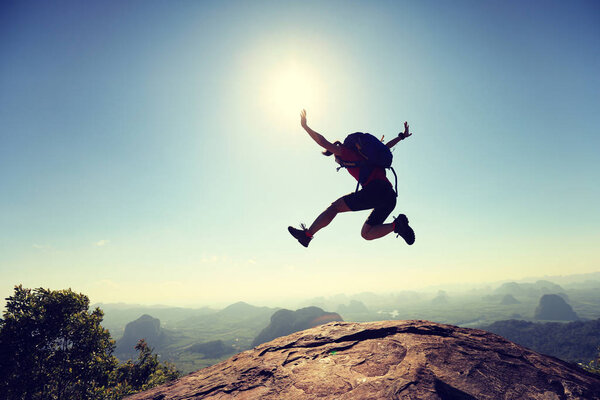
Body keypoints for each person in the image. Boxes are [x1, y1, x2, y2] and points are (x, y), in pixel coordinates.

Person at [288, 109, 415, 248]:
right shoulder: (366, 157)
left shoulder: (346, 153)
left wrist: (305, 127)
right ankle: (397, 225)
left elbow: (323, 142)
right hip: (390, 197)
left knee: (334, 208)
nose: (336, 160)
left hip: (375, 190)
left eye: (334, 156)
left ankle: (306, 236)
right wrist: (401, 136)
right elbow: (386, 147)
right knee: (366, 233)